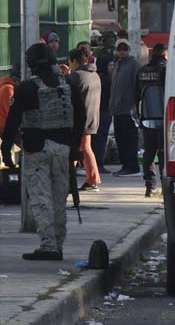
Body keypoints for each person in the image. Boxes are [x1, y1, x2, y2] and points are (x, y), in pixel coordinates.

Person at [2, 43, 85, 261]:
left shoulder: (27, 88)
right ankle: (58, 243)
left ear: (31, 64)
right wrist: (75, 147)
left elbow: (12, 122)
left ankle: (49, 246)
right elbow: (80, 117)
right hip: (63, 148)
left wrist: (6, 149)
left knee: (41, 198)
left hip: (36, 149)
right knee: (59, 198)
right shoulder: (68, 85)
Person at [67, 48, 102, 191]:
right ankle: (89, 179)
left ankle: (90, 179)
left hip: (79, 119)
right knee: (83, 147)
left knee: (78, 148)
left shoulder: (76, 77)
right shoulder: (94, 75)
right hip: (93, 116)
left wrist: (66, 75)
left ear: (74, 61)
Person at [108, 38, 142, 176]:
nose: (122, 51)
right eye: (119, 49)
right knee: (120, 139)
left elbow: (137, 86)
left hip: (128, 109)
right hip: (117, 109)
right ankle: (125, 165)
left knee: (129, 139)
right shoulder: (117, 64)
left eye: (125, 49)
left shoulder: (134, 64)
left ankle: (132, 166)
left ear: (129, 50)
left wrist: (135, 105)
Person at [137, 43, 168, 195]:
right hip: (165, 118)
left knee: (149, 152)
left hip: (147, 117)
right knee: (163, 153)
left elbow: (136, 94)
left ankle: (150, 186)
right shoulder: (168, 70)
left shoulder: (143, 71)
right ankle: (164, 185)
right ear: (165, 55)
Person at [91, 31, 117, 173]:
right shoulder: (107, 80)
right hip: (104, 111)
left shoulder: (93, 78)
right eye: (110, 65)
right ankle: (99, 164)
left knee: (95, 139)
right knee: (101, 138)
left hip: (93, 112)